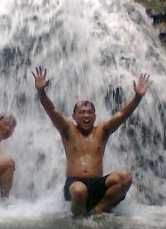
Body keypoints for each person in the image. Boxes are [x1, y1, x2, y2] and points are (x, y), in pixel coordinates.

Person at [32, 66, 152, 216]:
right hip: (75, 185)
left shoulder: (102, 130)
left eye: (89, 112)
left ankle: (99, 209)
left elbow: (122, 114)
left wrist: (138, 97)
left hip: (98, 184)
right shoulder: (67, 130)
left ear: (95, 116)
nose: (86, 115)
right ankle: (79, 223)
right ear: (74, 116)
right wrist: (41, 92)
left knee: (125, 177)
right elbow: (52, 110)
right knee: (79, 190)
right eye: (82, 112)